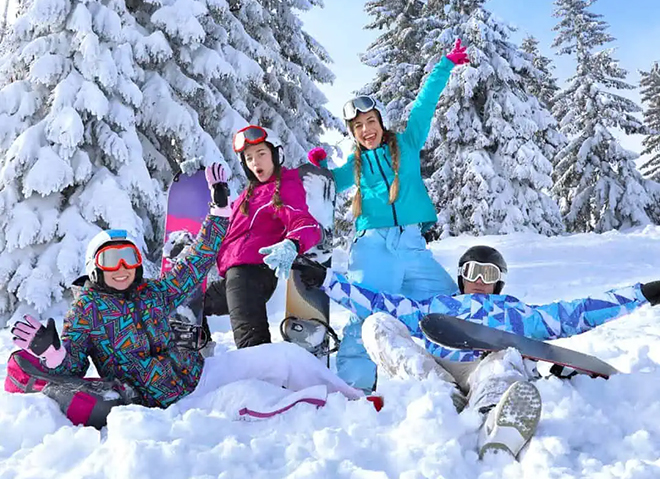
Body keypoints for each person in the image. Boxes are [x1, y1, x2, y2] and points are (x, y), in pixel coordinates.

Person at [9, 164, 361, 428]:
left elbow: (196, 261)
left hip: (200, 373)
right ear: (95, 266)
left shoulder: (152, 292)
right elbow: (71, 369)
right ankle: (317, 413)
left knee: (285, 357)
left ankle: (356, 402)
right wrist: (53, 354)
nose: (122, 268)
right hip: (167, 405)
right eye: (111, 260)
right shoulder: (88, 311)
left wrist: (219, 212)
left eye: (129, 258)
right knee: (258, 400)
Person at [292, 246, 660, 458]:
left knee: (506, 358)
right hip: (437, 368)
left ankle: (494, 420)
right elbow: (377, 301)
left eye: (489, 272)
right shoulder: (436, 305)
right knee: (376, 324)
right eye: (473, 270)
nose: (480, 279)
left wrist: (642, 294)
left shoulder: (520, 313)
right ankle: (443, 399)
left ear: (499, 279)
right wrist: (326, 280)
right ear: (461, 275)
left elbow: (578, 311)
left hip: (488, 367)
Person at [306, 40, 470, 392]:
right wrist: (318, 169)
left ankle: (462, 371)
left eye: (370, 121)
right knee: (364, 315)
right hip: (373, 247)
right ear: (353, 134)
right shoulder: (357, 165)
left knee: (449, 305)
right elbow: (331, 184)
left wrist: (445, 65)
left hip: (412, 246)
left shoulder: (408, 144)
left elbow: (424, 104)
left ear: (380, 121)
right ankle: (355, 389)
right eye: (358, 127)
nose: (366, 130)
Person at [203, 125, 323, 349]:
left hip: (254, 274)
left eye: (261, 154)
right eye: (249, 158)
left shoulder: (285, 185)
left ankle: (263, 380)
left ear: (276, 155)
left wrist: (292, 243)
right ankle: (200, 353)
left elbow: (305, 223)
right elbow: (226, 234)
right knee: (191, 304)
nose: (255, 162)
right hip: (234, 276)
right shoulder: (246, 196)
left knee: (251, 346)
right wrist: (217, 206)